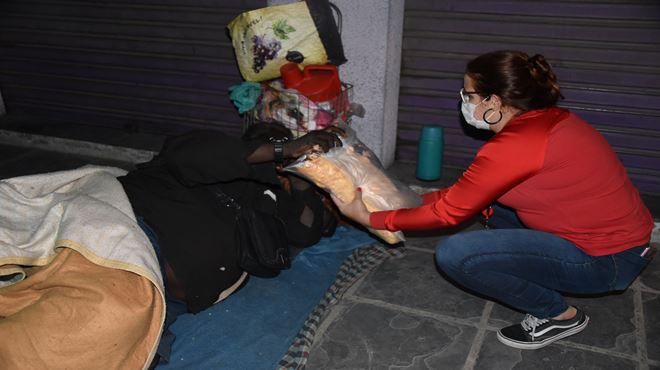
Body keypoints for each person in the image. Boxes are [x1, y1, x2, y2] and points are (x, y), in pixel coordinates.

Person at [331, 50, 655, 350]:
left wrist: (371, 218)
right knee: (488, 207)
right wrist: (409, 202)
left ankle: (559, 315)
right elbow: (464, 194)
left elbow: (448, 214)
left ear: (494, 101)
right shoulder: (547, 120)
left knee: (456, 254)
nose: (463, 101)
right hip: (616, 240)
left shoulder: (516, 146)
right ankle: (524, 262)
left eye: (468, 95)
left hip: (607, 259)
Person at [117, 122, 344, 365]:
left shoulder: (268, 194)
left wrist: (302, 181)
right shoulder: (204, 153)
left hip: (165, 304)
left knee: (128, 354)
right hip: (133, 249)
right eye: (269, 142)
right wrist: (282, 149)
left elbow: (304, 233)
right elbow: (199, 155)